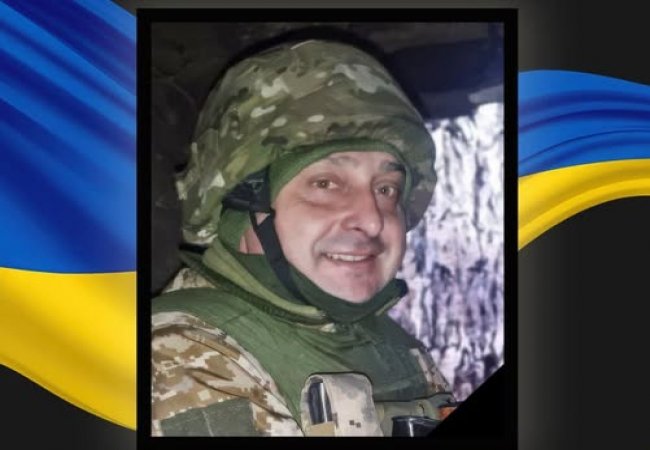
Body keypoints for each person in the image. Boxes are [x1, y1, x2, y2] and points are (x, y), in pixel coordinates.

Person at [151, 38, 456, 437]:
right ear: (245, 202)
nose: (372, 220)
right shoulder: (182, 355)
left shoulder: (396, 348)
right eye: (326, 183)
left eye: (386, 189)